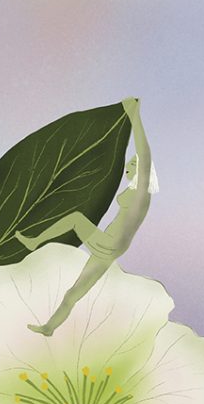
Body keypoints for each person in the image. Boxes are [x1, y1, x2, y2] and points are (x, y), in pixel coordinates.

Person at [15, 97, 157, 336]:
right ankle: (49, 327)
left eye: (132, 164)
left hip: (108, 243)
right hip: (109, 248)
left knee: (76, 218)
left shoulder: (142, 193)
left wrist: (135, 117)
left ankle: (34, 241)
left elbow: (144, 152)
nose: (128, 167)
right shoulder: (134, 193)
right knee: (75, 292)